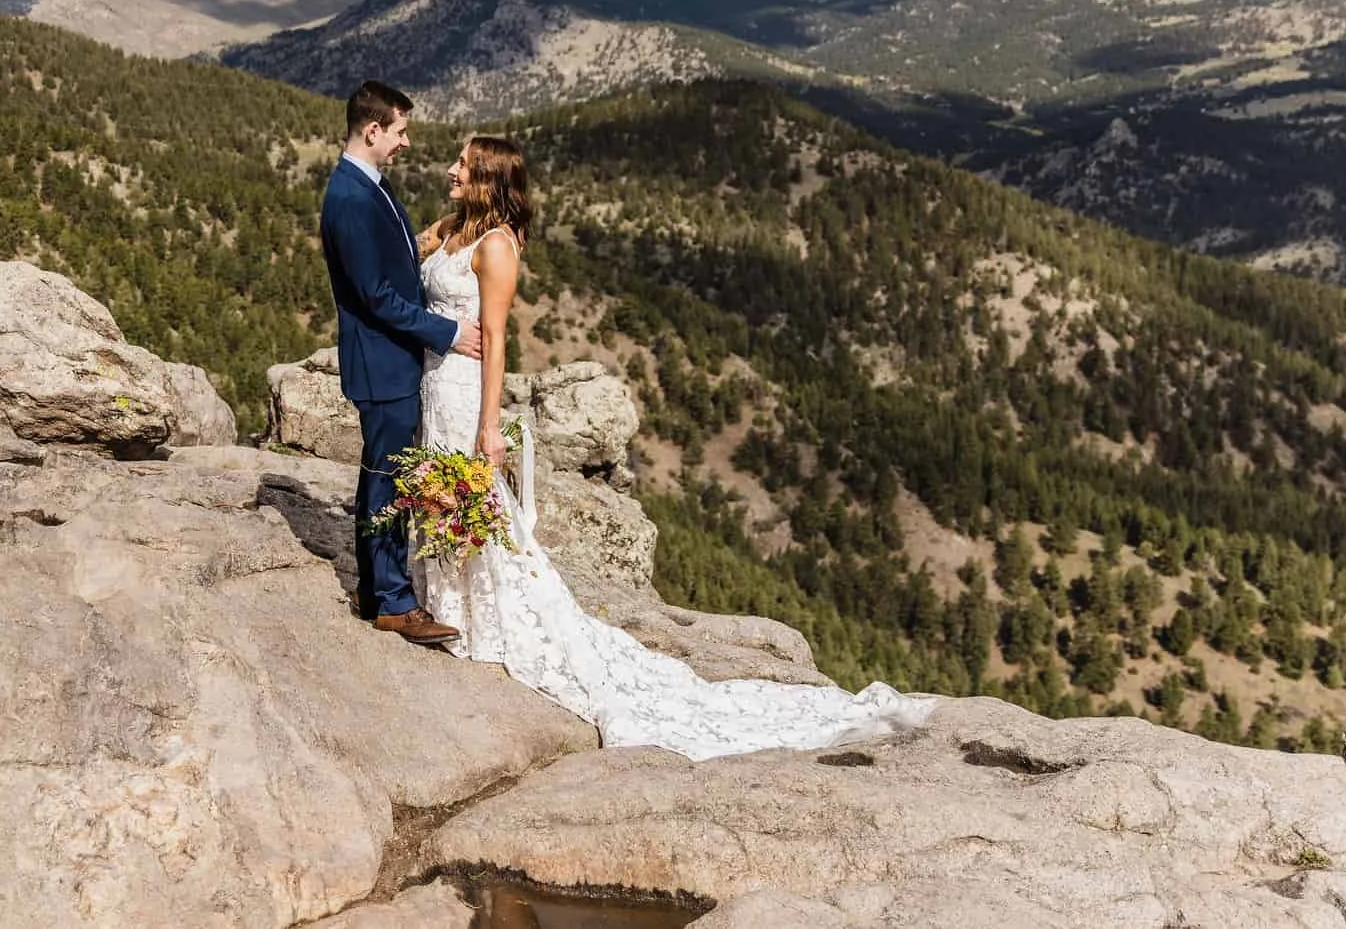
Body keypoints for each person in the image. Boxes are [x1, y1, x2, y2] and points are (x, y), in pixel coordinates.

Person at [415, 133, 936, 757]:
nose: (451, 169)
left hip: (467, 391)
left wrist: (490, 426)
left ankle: (480, 617)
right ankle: (447, 600)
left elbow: (498, 340)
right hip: (433, 385)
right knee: (442, 496)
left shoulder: (496, 247)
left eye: (463, 166)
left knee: (478, 506)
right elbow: (405, 252)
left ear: (487, 180)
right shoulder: (450, 226)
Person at [318, 81, 483, 647]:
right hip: (383, 362)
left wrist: (424, 244)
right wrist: (450, 333)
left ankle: (378, 587)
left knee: (382, 472)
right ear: (372, 129)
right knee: (387, 478)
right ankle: (392, 600)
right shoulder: (350, 197)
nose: (406, 142)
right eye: (400, 130)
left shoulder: (367, 188)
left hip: (389, 359)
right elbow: (375, 296)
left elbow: (386, 270)